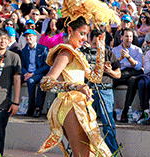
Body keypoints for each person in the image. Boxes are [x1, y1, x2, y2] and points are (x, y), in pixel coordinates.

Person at [37, 17, 112, 156]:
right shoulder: (66, 53)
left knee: (89, 153)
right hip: (69, 105)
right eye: (82, 33)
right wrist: (76, 87)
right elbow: (45, 83)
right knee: (82, 154)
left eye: (86, 35)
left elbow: (95, 78)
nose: (85, 38)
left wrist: (101, 49)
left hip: (78, 105)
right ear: (70, 30)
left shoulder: (77, 54)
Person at [85, 29, 121, 154]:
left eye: (99, 43)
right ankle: (88, 152)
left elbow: (118, 75)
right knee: (86, 123)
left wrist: (109, 71)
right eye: (94, 44)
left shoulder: (109, 54)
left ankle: (112, 153)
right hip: (89, 90)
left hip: (105, 89)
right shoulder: (86, 54)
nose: (97, 46)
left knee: (108, 123)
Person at [0, 29, 21, 157]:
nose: (2, 41)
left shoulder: (14, 57)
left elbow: (17, 80)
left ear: (9, 41)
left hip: (1, 104)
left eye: (5, 38)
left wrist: (16, 102)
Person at [112, 28, 144, 122]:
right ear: (122, 37)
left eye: (130, 36)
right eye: (126, 36)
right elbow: (113, 65)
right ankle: (109, 109)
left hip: (131, 73)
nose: (128, 38)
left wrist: (128, 57)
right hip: (120, 72)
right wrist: (121, 58)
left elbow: (138, 67)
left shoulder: (137, 50)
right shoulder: (115, 49)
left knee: (133, 80)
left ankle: (126, 110)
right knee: (110, 81)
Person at [21, 29, 50, 117]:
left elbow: (46, 66)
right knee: (20, 79)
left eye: (30, 36)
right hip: (28, 74)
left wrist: (33, 73)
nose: (28, 38)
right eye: (26, 37)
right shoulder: (24, 51)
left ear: (35, 37)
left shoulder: (43, 49)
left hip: (39, 73)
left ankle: (36, 107)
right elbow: (22, 65)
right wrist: (25, 73)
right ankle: (29, 107)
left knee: (34, 81)